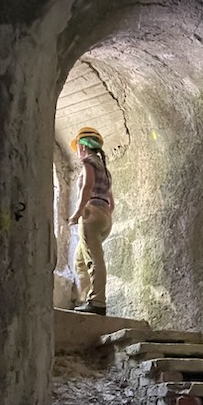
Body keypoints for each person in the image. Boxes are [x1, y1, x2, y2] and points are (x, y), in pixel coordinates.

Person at [68, 126, 115, 315]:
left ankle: (97, 302)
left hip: (91, 214)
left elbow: (86, 189)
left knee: (93, 259)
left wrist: (78, 213)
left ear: (82, 146)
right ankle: (85, 299)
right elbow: (111, 201)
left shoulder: (88, 162)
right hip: (104, 216)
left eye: (78, 146)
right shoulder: (104, 169)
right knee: (80, 259)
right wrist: (104, 215)